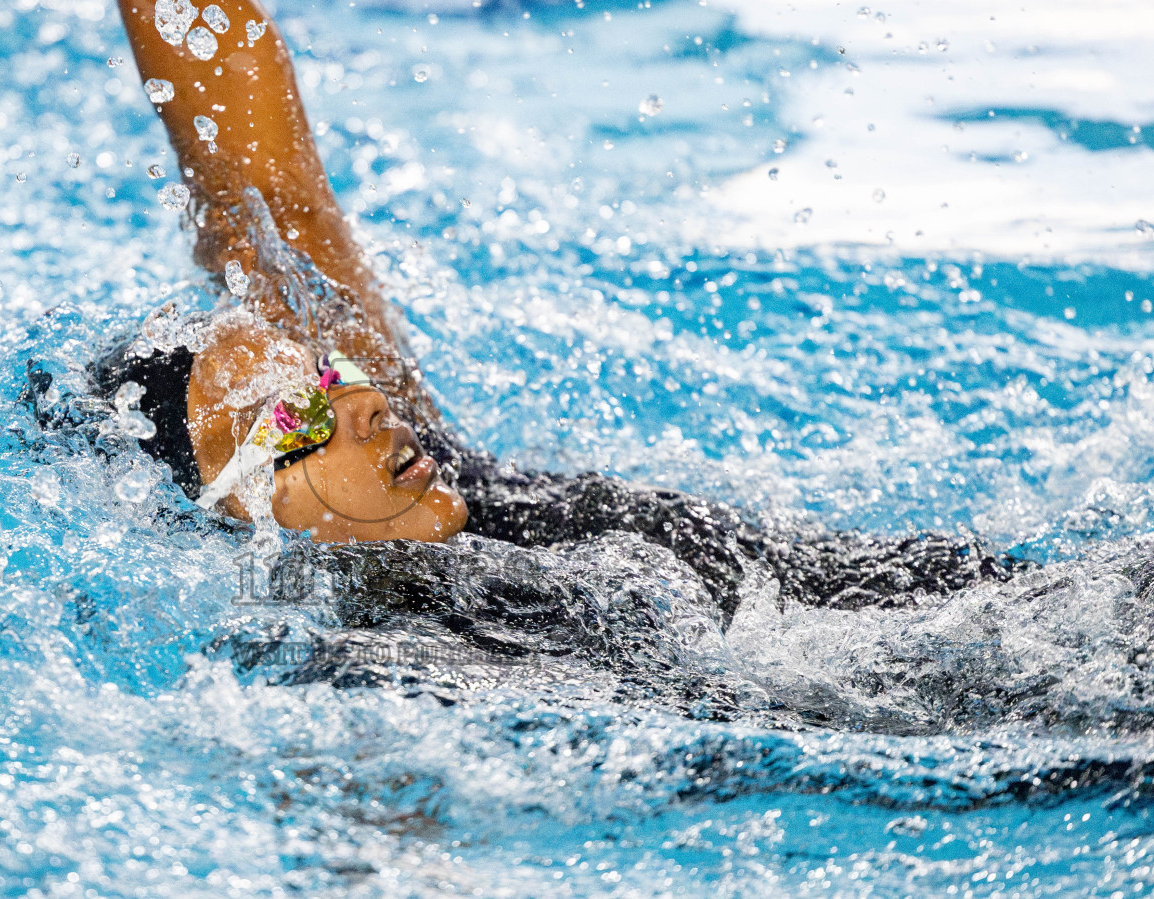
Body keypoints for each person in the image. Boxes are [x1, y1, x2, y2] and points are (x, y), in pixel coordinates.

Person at [51, 0, 1020, 619]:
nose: (356, 402)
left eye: (320, 375)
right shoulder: (388, 663)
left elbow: (263, 190)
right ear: (251, 506)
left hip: (925, 593)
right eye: (294, 415)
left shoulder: (405, 457)